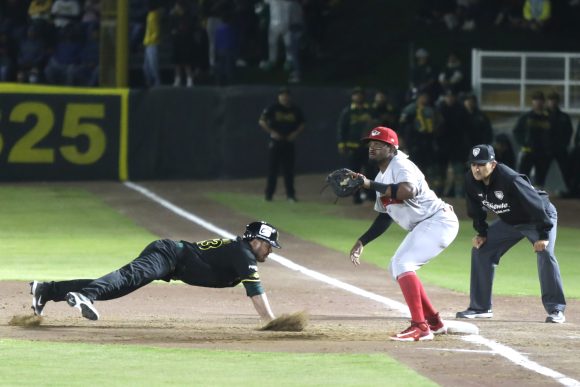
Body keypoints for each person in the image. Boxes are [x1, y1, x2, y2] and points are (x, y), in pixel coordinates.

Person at [30, 221, 281, 324]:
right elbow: (256, 292)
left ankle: (47, 290)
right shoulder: (244, 254)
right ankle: (85, 296)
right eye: (269, 245)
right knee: (127, 277)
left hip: (171, 262)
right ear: (257, 241)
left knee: (116, 288)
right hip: (168, 255)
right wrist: (271, 323)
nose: (270, 251)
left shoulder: (241, 252)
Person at [349, 126, 459, 341]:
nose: (371, 148)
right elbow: (385, 216)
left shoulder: (401, 165)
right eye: (370, 144)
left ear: (391, 148)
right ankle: (434, 322)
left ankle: (420, 327)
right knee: (396, 266)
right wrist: (362, 241)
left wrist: (369, 184)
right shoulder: (383, 174)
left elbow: (405, 191)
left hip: (438, 221)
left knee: (403, 264)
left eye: (378, 144)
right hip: (426, 224)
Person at [456, 144, 566, 323]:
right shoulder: (470, 179)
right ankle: (480, 307)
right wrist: (482, 232)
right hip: (511, 221)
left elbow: (536, 205)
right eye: (474, 164)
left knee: (545, 253)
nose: (476, 168)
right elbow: (475, 209)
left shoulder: (509, 178)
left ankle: (556, 310)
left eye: (481, 164)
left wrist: (544, 235)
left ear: (493, 164)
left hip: (538, 217)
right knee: (481, 250)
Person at [259, 87, 305, 202]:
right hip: (276, 142)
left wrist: (295, 133)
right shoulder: (273, 108)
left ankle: (290, 195)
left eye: (286, 95)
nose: (285, 97)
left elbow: (302, 123)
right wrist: (271, 132)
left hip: (289, 142)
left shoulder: (295, 109)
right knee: (273, 170)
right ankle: (269, 195)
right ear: (279, 96)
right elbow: (261, 121)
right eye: (282, 95)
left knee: (288, 170)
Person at [337, 86, 374, 204]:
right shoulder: (347, 111)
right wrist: (341, 144)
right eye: (356, 94)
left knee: (370, 172)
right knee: (354, 174)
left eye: (360, 94)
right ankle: (356, 196)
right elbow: (341, 129)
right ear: (352, 97)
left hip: (367, 147)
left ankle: (370, 195)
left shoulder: (369, 111)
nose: (358, 96)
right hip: (352, 147)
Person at [513, 90, 551, 188]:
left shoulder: (549, 118)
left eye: (540, 100)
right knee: (523, 176)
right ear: (532, 102)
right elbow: (517, 131)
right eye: (535, 100)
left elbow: (555, 133)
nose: (538, 102)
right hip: (528, 151)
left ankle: (538, 199)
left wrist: (550, 146)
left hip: (543, 152)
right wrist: (524, 143)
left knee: (540, 179)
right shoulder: (526, 117)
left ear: (543, 102)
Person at [546, 91, 573, 193]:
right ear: (548, 102)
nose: (553, 102)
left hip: (560, 148)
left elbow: (569, 131)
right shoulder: (542, 116)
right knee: (541, 171)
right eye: (551, 100)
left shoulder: (564, 117)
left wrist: (564, 144)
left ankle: (569, 189)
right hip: (546, 148)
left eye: (554, 100)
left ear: (558, 102)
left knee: (566, 169)